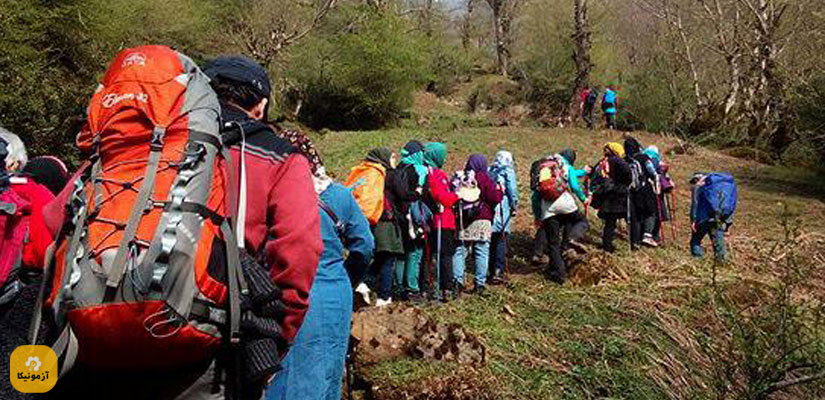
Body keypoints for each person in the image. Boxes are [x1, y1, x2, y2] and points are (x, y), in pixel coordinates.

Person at [267, 135, 374, 400]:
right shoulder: (338, 195)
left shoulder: (270, 193)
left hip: (281, 290)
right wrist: (346, 279)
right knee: (327, 370)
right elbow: (364, 246)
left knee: (283, 370)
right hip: (331, 292)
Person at [531, 149, 589, 284]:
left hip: (549, 209)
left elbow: (535, 197)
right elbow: (574, 183)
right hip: (567, 205)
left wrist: (538, 217)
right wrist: (583, 198)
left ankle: (559, 273)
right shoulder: (564, 166)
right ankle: (572, 240)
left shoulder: (543, 169)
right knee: (581, 221)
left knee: (553, 243)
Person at [453, 154, 502, 295]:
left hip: (463, 220)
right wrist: (500, 191)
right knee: (481, 251)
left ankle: (457, 281)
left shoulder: (461, 177)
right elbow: (494, 198)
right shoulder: (484, 178)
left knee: (460, 250)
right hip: (482, 219)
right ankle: (479, 284)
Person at [422, 142, 459, 300]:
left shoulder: (425, 172)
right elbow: (443, 198)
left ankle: (430, 286)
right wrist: (457, 195)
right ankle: (446, 288)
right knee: (445, 255)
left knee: (430, 255)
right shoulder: (436, 174)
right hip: (442, 221)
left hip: (432, 220)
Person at [395, 141, 427, 302]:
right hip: (412, 219)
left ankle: (398, 287)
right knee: (414, 253)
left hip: (397, 217)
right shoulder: (418, 171)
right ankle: (412, 289)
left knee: (400, 254)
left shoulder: (397, 169)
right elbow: (422, 194)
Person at [589, 143, 631, 253]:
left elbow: (592, 175)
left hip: (604, 195)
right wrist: (623, 183)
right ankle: (632, 242)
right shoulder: (618, 161)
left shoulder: (602, 161)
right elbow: (628, 173)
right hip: (617, 195)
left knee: (609, 223)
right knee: (624, 219)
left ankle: (606, 245)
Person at [689, 173, 736, 263]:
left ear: (696, 180)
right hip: (719, 217)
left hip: (703, 218)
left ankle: (699, 262)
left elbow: (695, 205)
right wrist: (728, 222)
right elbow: (731, 203)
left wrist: (693, 220)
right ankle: (722, 263)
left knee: (695, 241)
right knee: (718, 241)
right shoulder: (721, 186)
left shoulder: (698, 188)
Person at [624, 137, 660, 248]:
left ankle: (635, 242)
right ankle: (648, 235)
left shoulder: (625, 159)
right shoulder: (643, 157)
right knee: (651, 211)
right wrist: (656, 183)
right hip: (645, 188)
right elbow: (652, 171)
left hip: (631, 191)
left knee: (637, 216)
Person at [488, 150, 518, 284]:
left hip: (490, 207)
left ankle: (489, 270)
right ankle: (498, 271)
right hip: (502, 206)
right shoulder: (507, 171)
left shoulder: (490, 170)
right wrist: (514, 204)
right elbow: (512, 189)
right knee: (501, 239)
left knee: (492, 240)